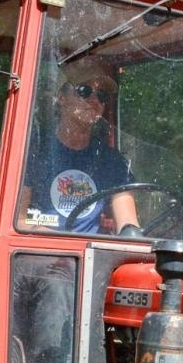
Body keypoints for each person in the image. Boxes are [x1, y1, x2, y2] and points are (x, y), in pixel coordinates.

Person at [22, 60, 137, 234]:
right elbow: (18, 220)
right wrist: (66, 244)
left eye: (102, 95)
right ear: (61, 97)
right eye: (84, 91)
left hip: (90, 251)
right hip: (37, 249)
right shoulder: (34, 152)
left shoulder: (111, 161)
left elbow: (129, 227)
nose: (94, 100)